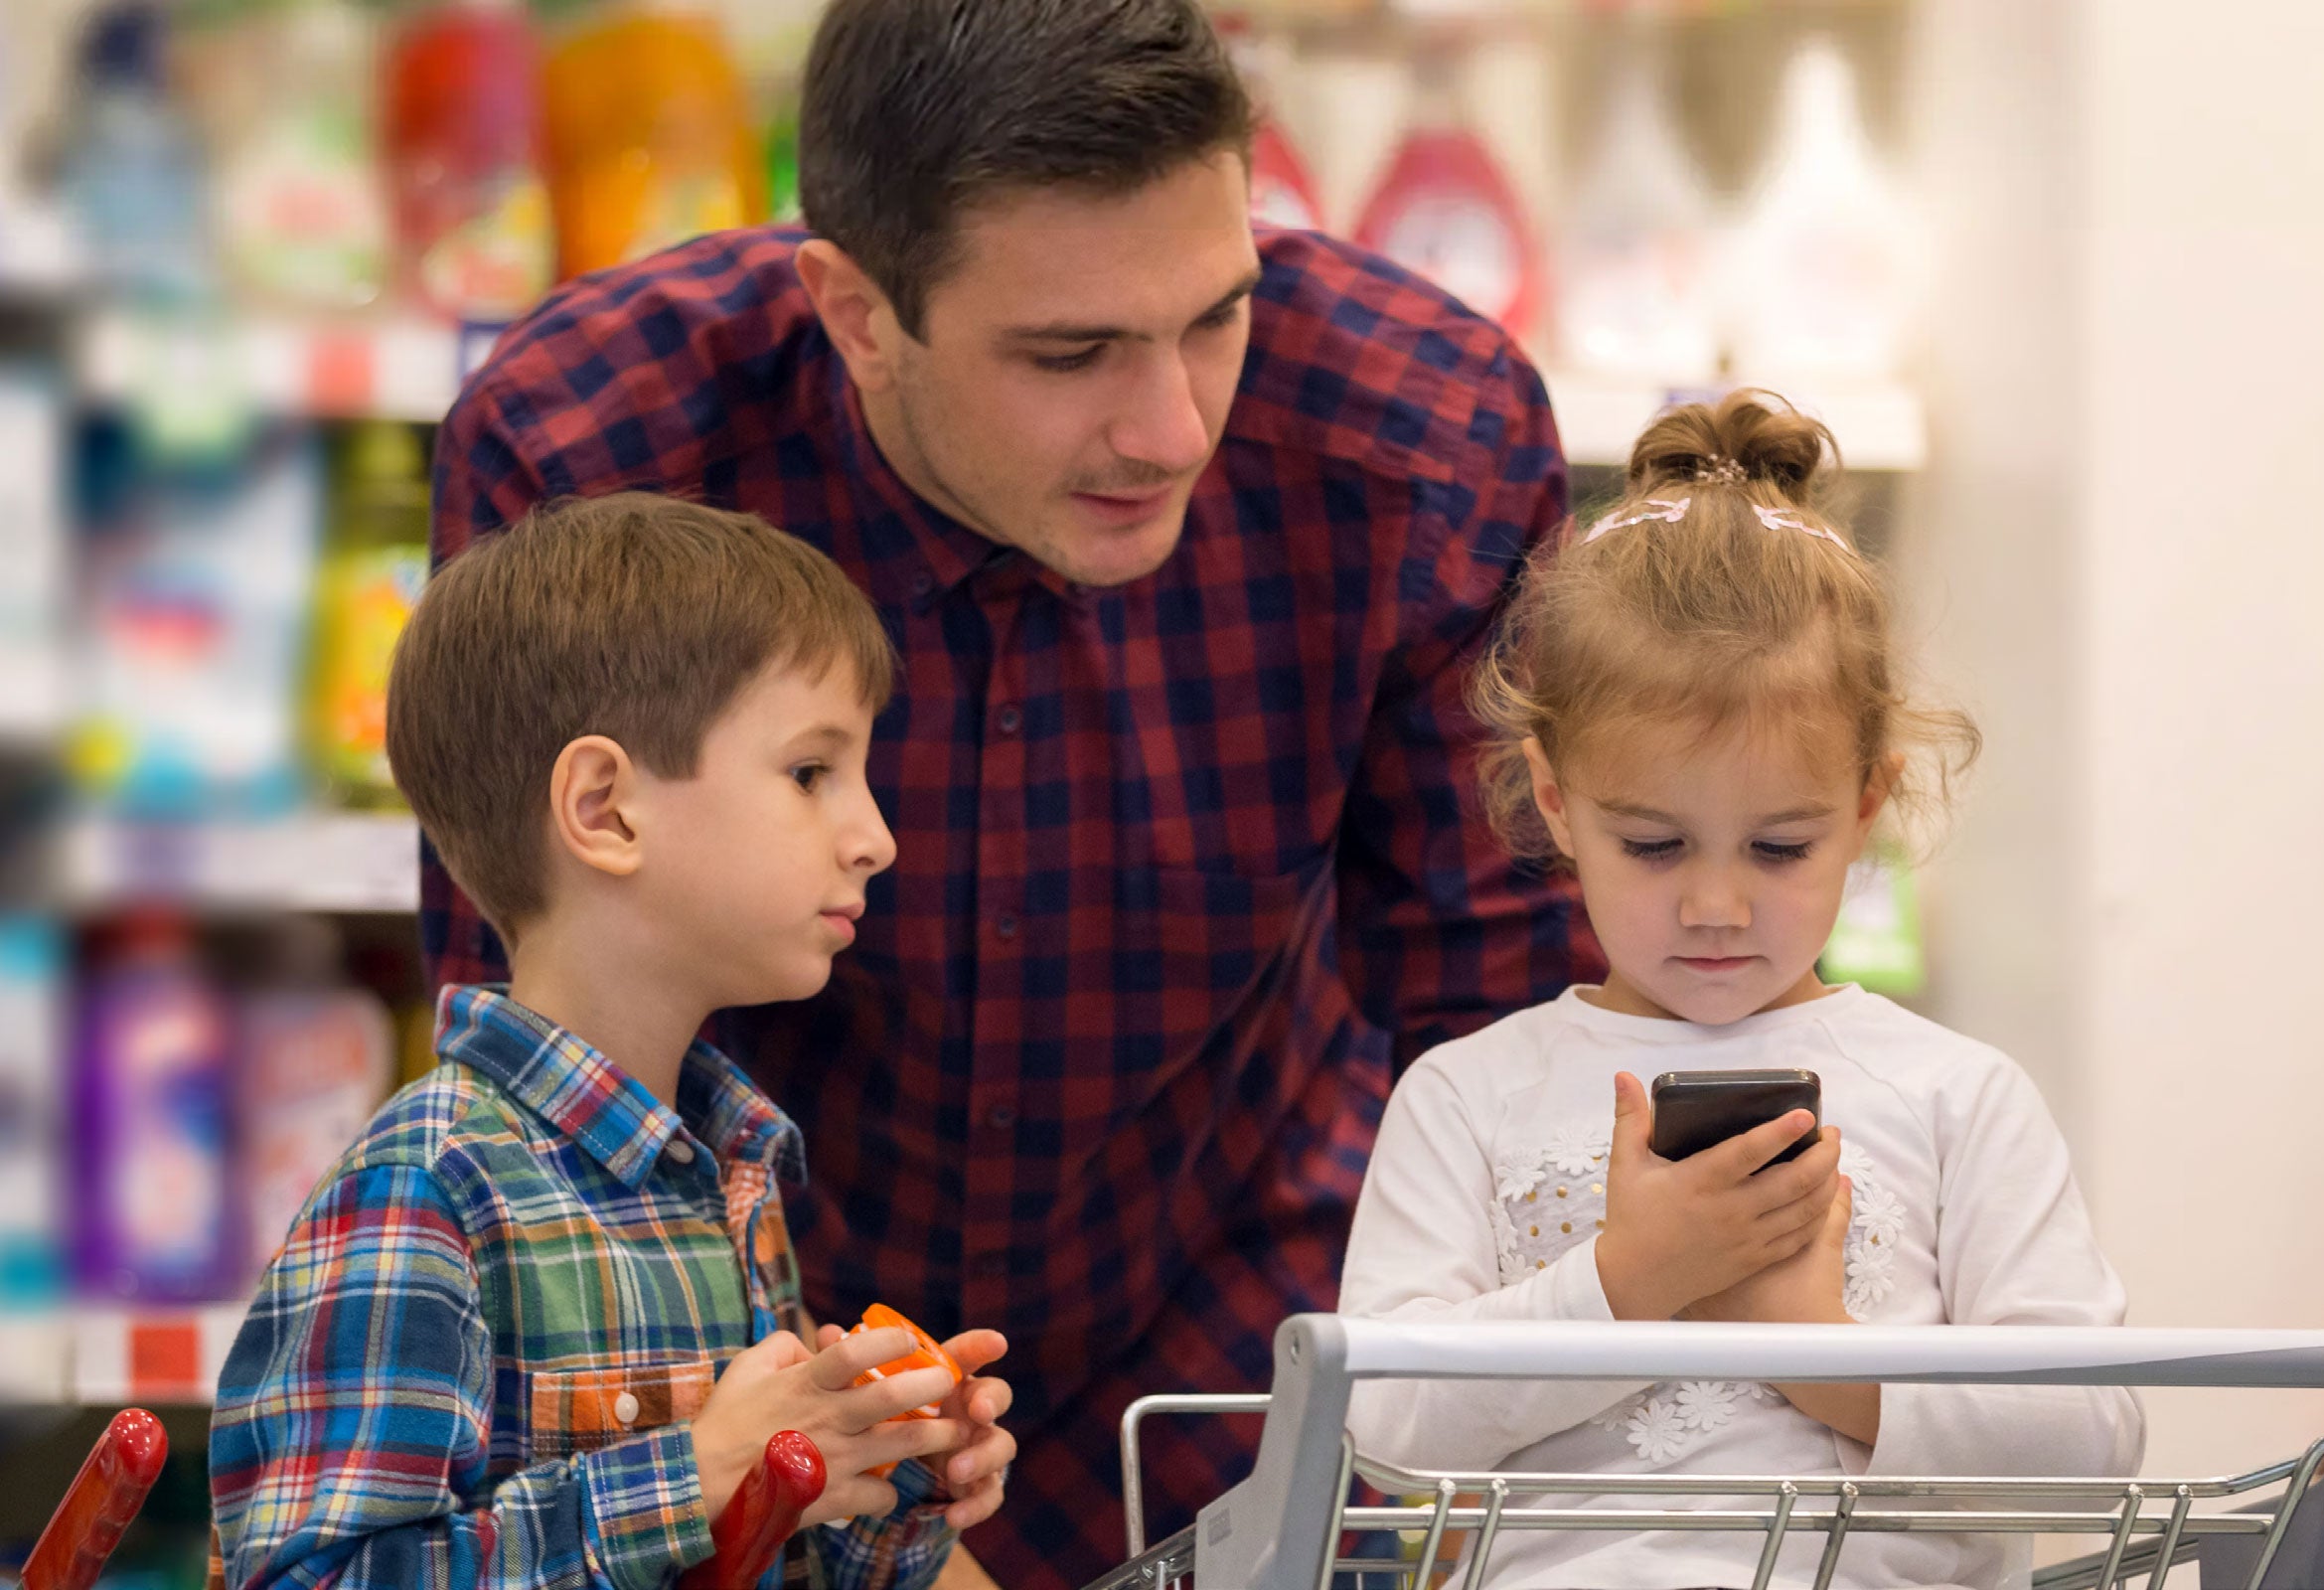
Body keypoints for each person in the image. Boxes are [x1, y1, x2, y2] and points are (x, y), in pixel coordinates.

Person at [422, 0, 1597, 1579]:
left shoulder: (1419, 434)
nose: (1172, 424)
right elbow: (544, 1101)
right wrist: (858, 1467)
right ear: (853, 311)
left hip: (1237, 1370)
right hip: (742, 1395)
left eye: (1215, 315)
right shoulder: (600, 452)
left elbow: (1503, 1039)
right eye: (1069, 354)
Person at [1338, 393, 2146, 1590]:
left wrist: (1814, 1350)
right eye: (1655, 845)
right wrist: (1627, 1285)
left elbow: (2093, 1442)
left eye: (1779, 847)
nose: (1716, 906)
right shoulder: (1466, 1095)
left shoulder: (1957, 1095)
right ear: (1556, 801)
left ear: (1867, 804)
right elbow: (1387, 1428)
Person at [209, 495, 1015, 1590]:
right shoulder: (432, 1187)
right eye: (811, 773)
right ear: (606, 809)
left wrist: (887, 1471)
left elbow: (755, 1559)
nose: (874, 837)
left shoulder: (732, 1174)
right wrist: (698, 1471)